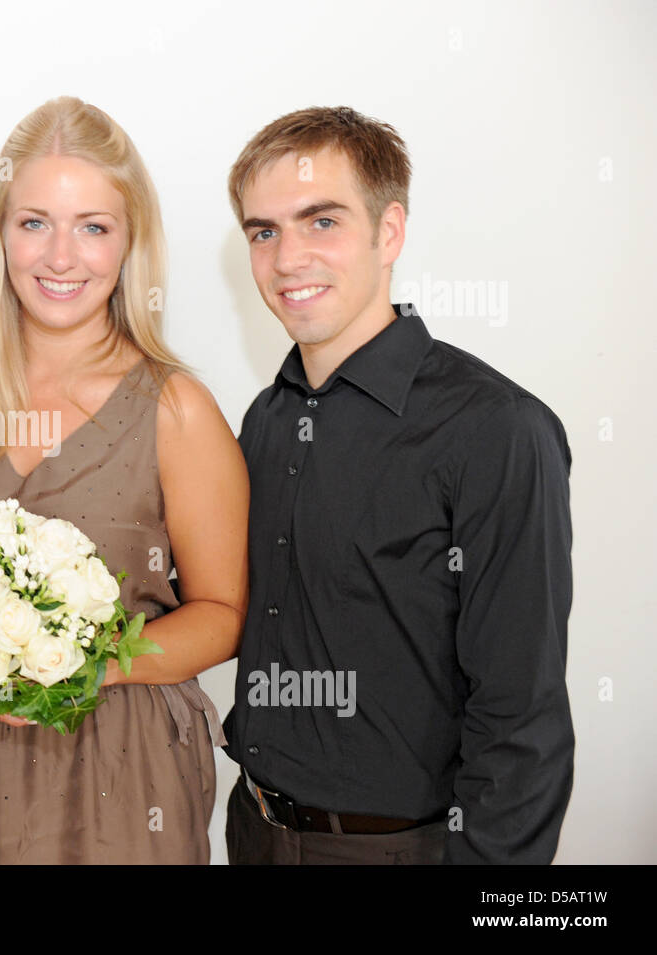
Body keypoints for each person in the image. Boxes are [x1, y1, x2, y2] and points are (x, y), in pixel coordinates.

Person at [0, 96, 249, 864]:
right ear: (1, 234)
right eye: (34, 222)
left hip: (124, 768)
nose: (61, 255)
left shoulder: (176, 408)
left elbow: (222, 613)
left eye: (93, 226)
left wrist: (74, 669)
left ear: (129, 243)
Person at [221, 106, 573, 864]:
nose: (287, 259)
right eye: (264, 231)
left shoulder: (498, 428)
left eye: (322, 221)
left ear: (390, 232)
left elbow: (522, 716)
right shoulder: (266, 418)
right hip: (251, 829)